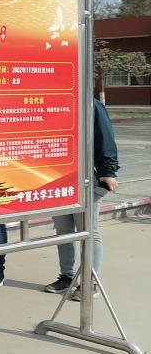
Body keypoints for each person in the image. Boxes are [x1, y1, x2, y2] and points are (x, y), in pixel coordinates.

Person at [45, 99, 119, 300]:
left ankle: (89, 281)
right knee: (63, 231)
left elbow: (105, 137)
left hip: (83, 177)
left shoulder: (90, 104)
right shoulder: (48, 101)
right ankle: (67, 276)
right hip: (57, 178)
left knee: (88, 231)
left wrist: (108, 171)